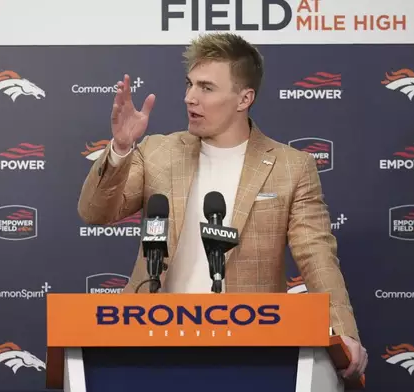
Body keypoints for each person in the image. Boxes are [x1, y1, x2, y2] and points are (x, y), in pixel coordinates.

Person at [77, 32, 367, 379]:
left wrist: (342, 330)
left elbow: (317, 255)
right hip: (150, 346)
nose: (189, 98)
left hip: (251, 353)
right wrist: (121, 148)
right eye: (189, 85)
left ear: (244, 97)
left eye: (206, 88)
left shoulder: (292, 167)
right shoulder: (158, 152)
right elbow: (95, 212)